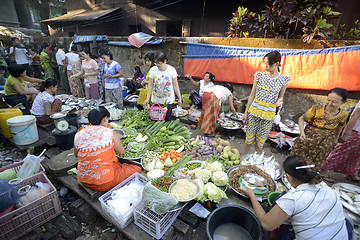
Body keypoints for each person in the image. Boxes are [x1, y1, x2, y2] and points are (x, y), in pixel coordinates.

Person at [241, 155, 349, 240]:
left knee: (280, 209)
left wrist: (252, 196)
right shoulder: (331, 191)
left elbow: (266, 224)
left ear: (288, 177)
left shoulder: (293, 199)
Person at [74, 106, 142, 191]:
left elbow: (76, 155)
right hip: (104, 183)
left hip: (85, 180)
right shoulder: (110, 133)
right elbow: (121, 151)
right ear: (105, 119)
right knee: (137, 169)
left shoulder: (79, 134)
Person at [290, 88, 349, 174]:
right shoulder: (316, 108)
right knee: (298, 155)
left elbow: (340, 125)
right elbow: (302, 119)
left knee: (317, 159)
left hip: (326, 140)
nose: (330, 104)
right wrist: (302, 133)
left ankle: (307, 176)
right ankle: (291, 172)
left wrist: (336, 138)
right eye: (328, 100)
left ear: (343, 103)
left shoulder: (344, 114)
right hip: (310, 135)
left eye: (334, 102)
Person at [242, 50, 290, 155]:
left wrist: (279, 101)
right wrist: (246, 113)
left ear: (277, 64)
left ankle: (256, 163)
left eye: (268, 64)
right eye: (265, 63)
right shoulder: (259, 76)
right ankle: (243, 158)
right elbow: (252, 94)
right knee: (249, 139)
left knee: (260, 142)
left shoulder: (283, 80)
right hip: (254, 112)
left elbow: (281, 97)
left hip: (268, 115)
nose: (265, 66)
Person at [321, 100, 360, 182]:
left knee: (357, 155)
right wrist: (347, 133)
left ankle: (351, 173)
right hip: (356, 131)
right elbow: (354, 116)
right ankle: (322, 170)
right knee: (342, 151)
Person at [143, 51, 182, 121]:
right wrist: (147, 98)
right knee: (157, 121)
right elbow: (150, 86)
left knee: (167, 120)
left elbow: (175, 85)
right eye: (155, 63)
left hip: (168, 101)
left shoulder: (171, 70)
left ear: (165, 61)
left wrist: (179, 98)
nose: (157, 65)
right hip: (156, 101)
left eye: (159, 63)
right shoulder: (153, 70)